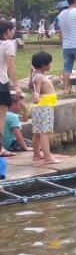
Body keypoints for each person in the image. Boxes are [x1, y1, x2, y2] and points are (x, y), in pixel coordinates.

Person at [29, 51, 61, 164]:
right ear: (43, 65)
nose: (50, 65)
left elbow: (30, 85)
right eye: (49, 63)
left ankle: (37, 154)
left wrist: (30, 73)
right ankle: (48, 157)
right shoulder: (39, 77)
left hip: (41, 107)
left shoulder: (35, 75)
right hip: (44, 106)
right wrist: (36, 96)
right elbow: (36, 90)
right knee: (44, 132)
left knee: (37, 132)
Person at [0, 21, 21, 156]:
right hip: (1, 82)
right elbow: (11, 66)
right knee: (1, 118)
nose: (13, 32)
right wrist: (17, 85)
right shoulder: (8, 44)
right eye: (13, 30)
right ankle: (0, 148)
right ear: (7, 31)